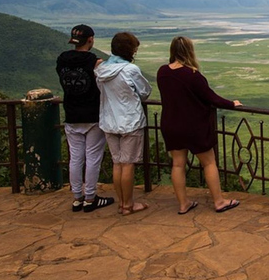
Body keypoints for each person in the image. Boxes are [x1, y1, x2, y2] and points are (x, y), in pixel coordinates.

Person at [156, 36, 241, 214]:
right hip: (193, 126)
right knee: (209, 163)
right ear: (190, 51)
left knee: (178, 164)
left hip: (171, 125)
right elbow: (211, 97)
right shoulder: (193, 75)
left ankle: (183, 204)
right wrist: (231, 104)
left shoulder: (162, 72)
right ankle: (219, 201)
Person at [56, 24, 115, 213]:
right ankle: (90, 198)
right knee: (93, 158)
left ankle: (77, 198)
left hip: (71, 114)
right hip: (92, 115)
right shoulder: (95, 62)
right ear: (90, 40)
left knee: (75, 158)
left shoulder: (62, 60)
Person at [95, 32, 152, 215]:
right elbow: (144, 92)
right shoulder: (130, 70)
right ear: (129, 50)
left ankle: (121, 203)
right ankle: (128, 205)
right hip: (130, 121)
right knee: (128, 164)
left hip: (109, 121)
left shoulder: (101, 70)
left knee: (117, 163)